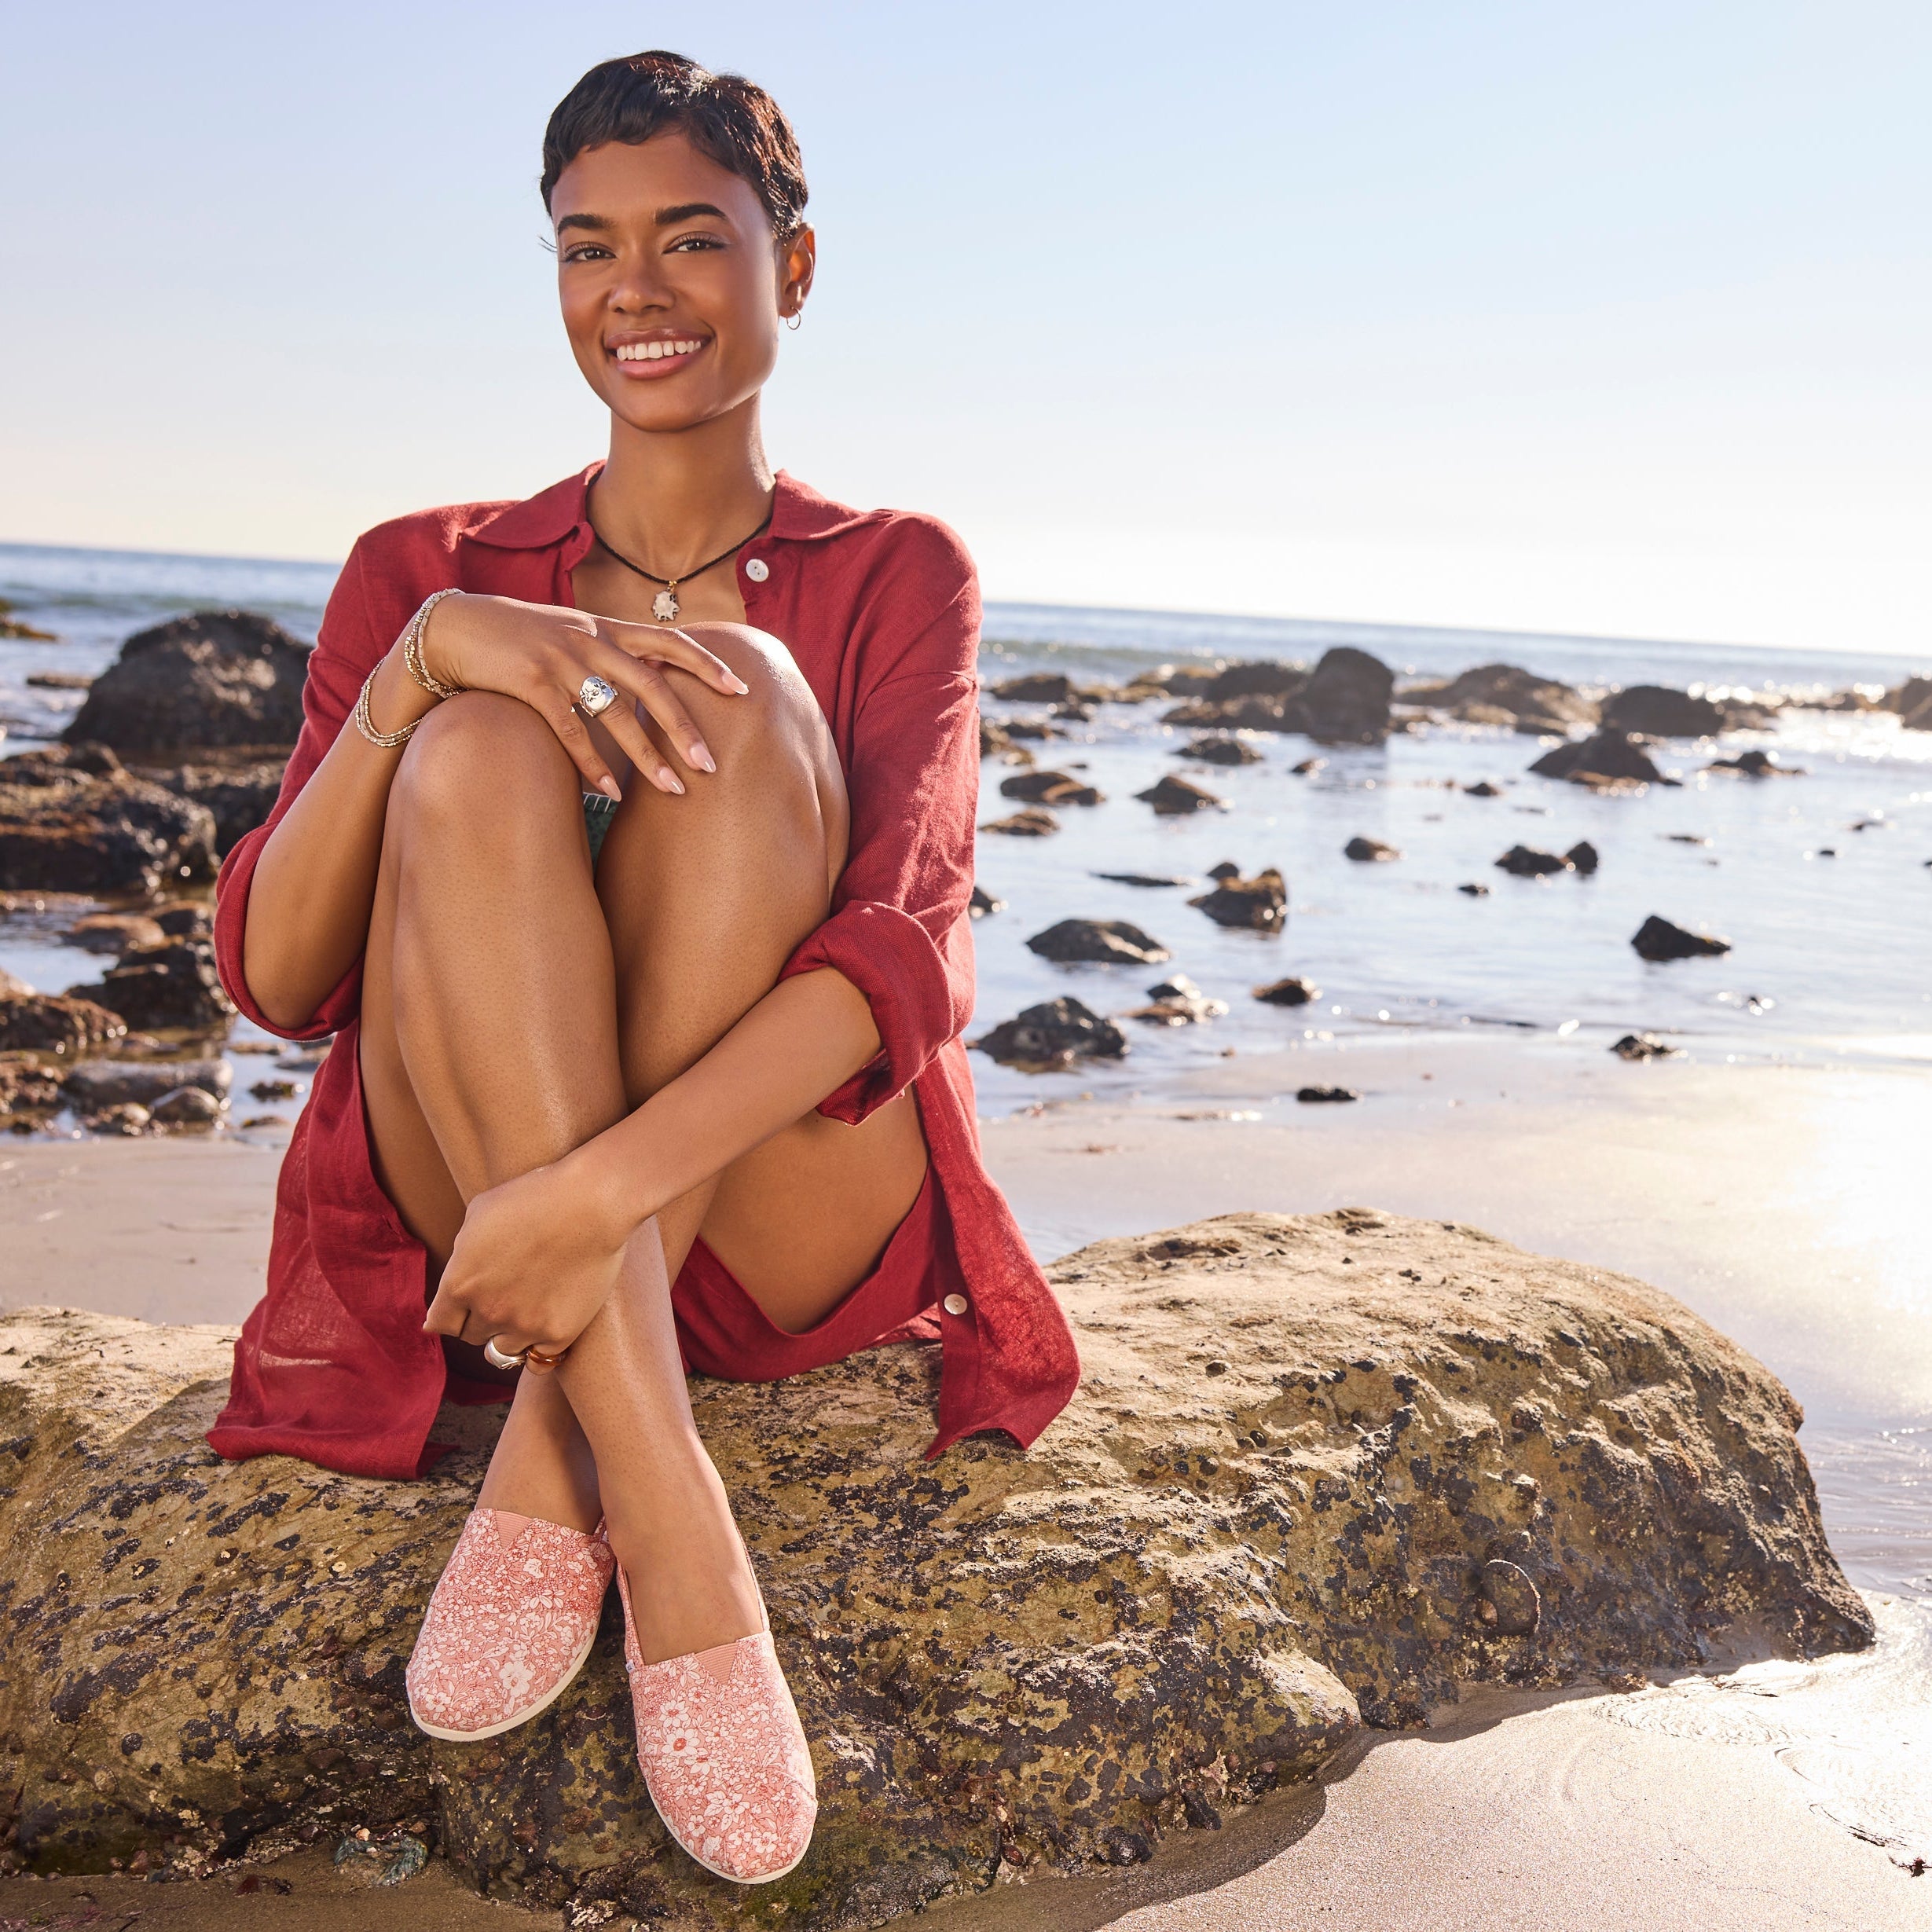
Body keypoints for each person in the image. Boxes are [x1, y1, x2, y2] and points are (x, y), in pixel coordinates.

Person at [207, 49, 1080, 1886]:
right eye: (588, 246)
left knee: (740, 690)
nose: (636, 292)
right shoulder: (420, 565)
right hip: (474, 1157)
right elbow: (281, 978)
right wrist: (424, 662)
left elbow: (906, 957)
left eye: (693, 239)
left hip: (775, 1192)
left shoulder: (899, 570)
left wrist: (590, 1196)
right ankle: (668, 1492)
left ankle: (580, 1453)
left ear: (797, 265)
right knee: (470, 739)